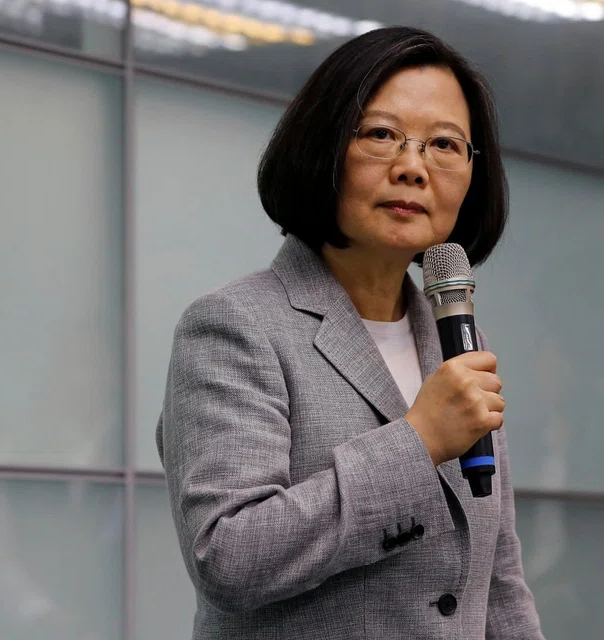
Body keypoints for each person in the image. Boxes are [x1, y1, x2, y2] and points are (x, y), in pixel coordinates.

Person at [155, 26, 545, 639]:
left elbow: (496, 578)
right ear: (324, 146)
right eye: (382, 135)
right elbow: (228, 556)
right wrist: (419, 442)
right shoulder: (236, 326)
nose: (413, 168)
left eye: (445, 144)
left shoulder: (455, 340)